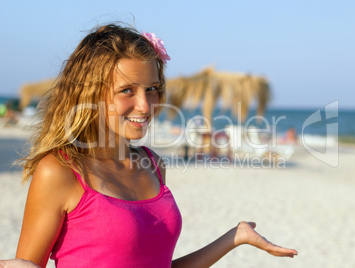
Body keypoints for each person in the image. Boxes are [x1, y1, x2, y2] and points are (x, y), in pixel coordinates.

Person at [3, 23, 297, 268]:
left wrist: (234, 237)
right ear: (90, 94)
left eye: (152, 89)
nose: (145, 105)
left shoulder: (153, 165)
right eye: (127, 90)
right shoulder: (60, 171)